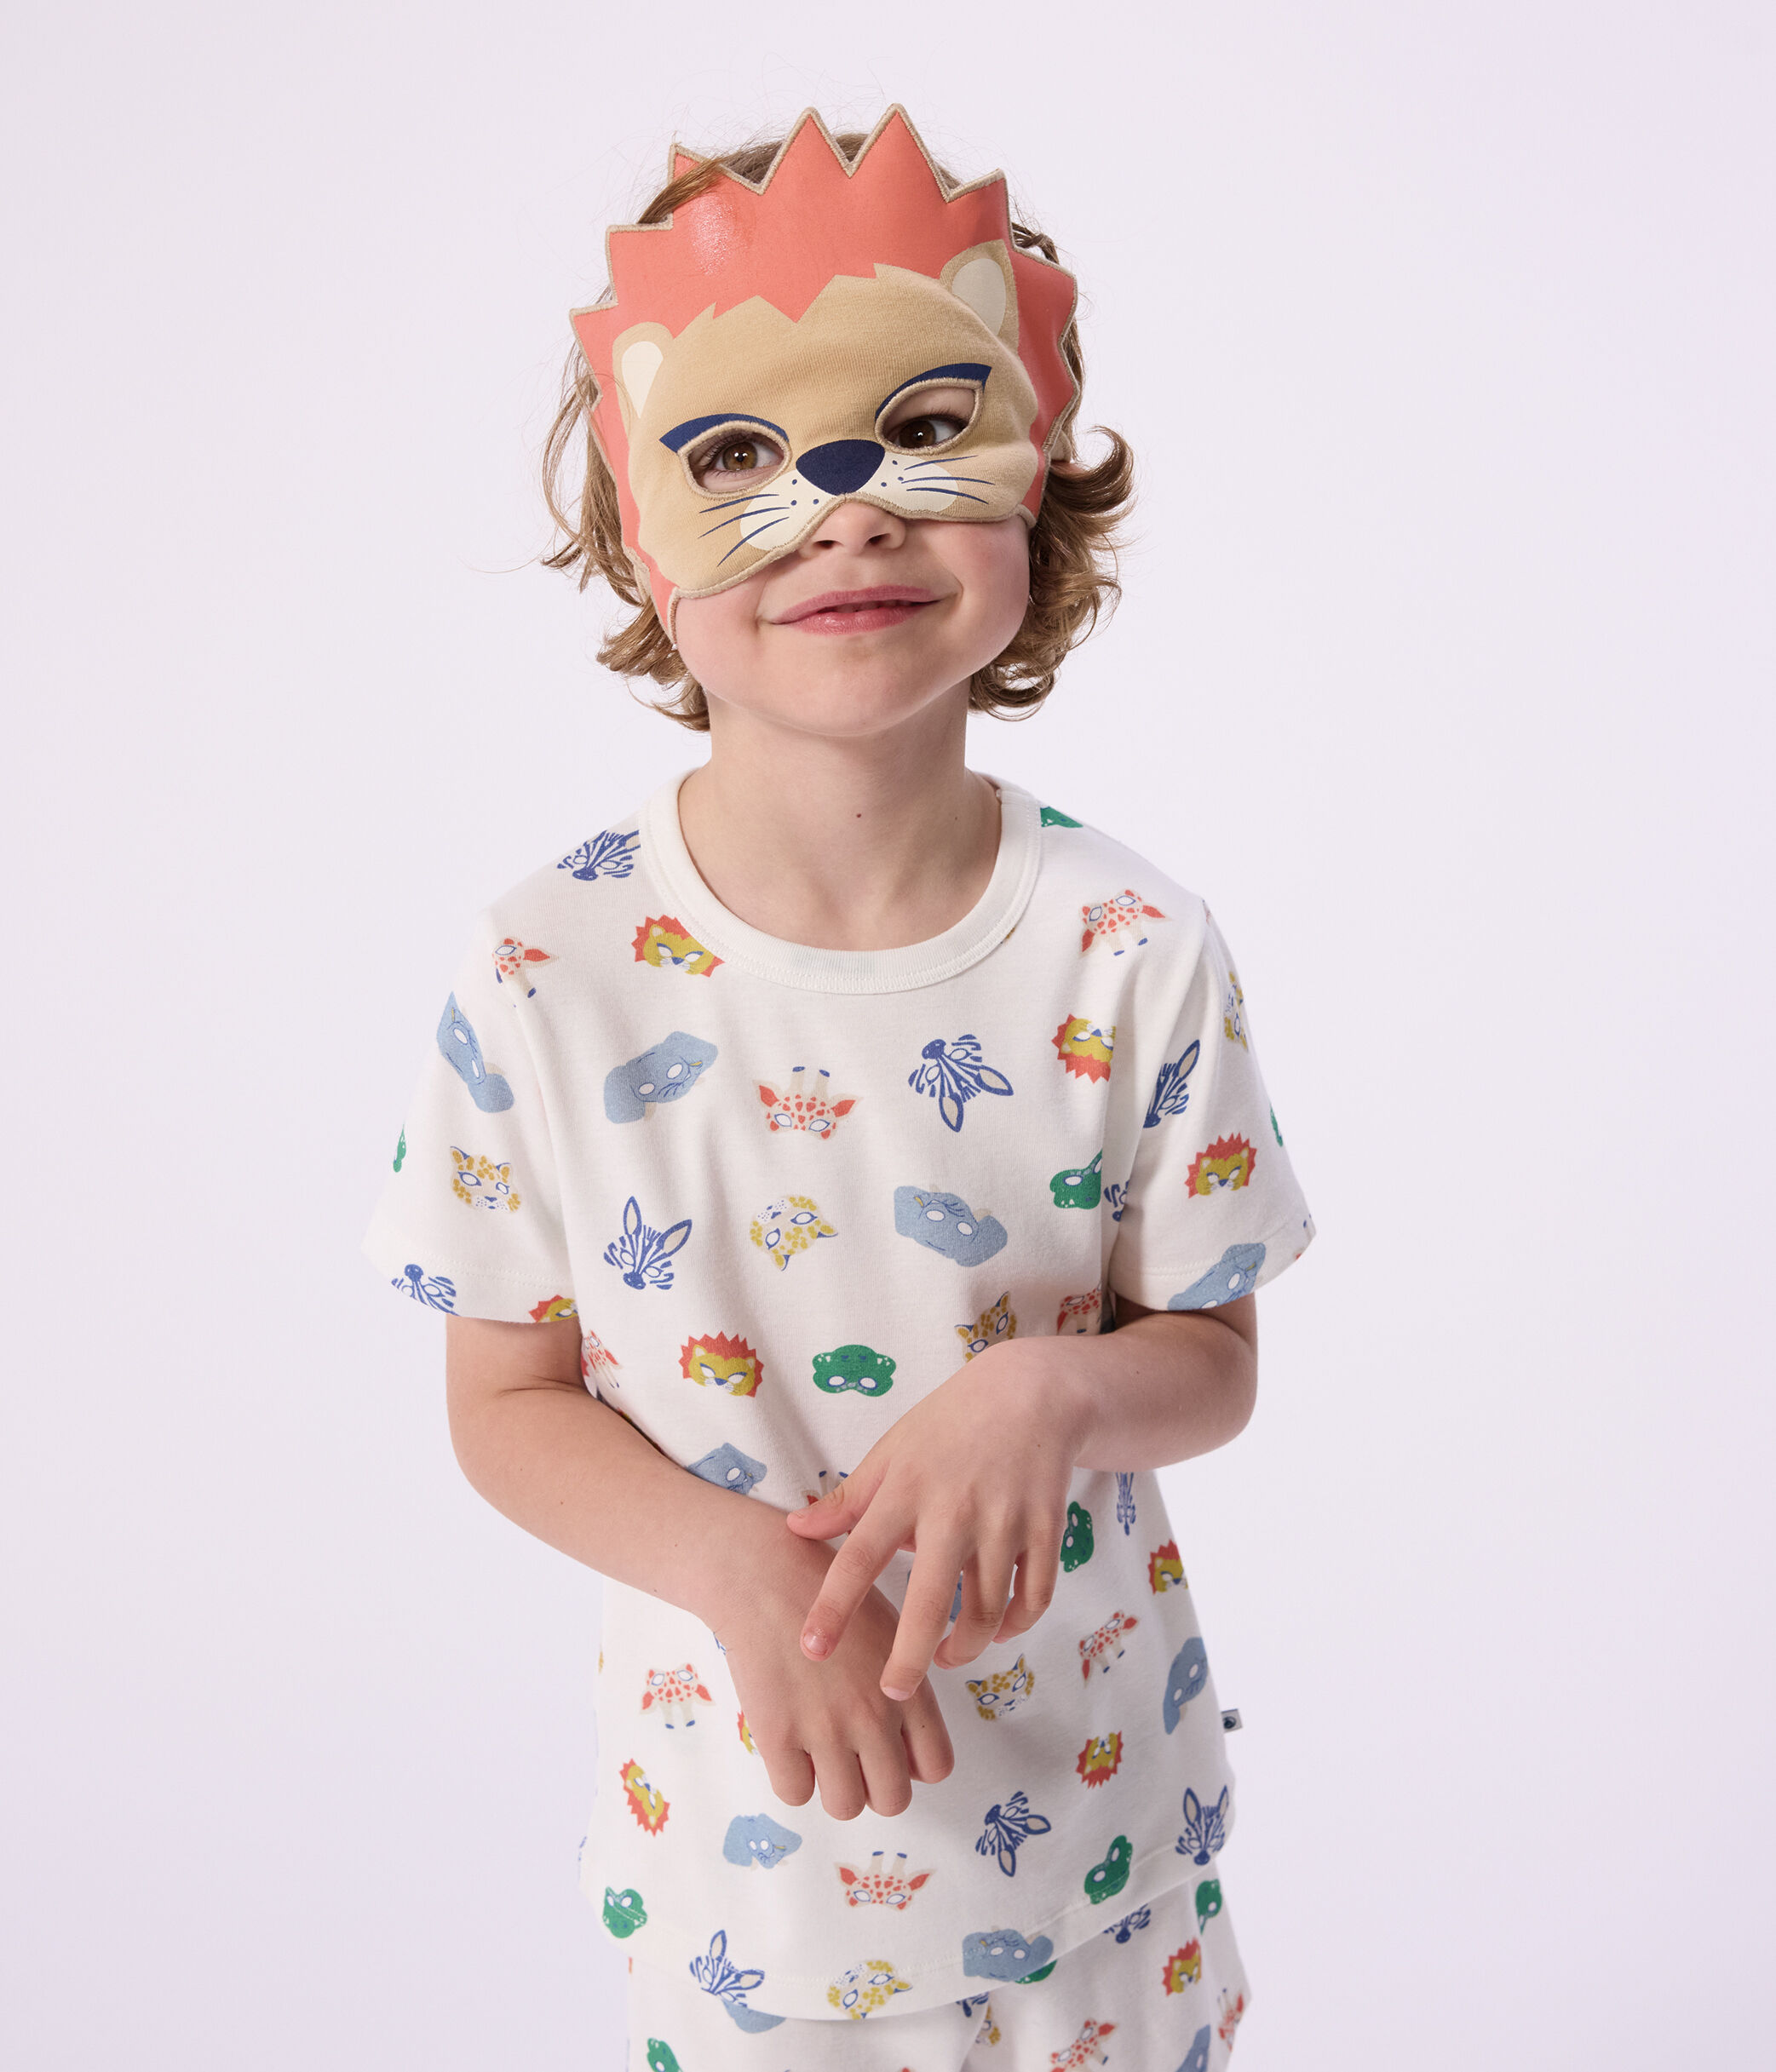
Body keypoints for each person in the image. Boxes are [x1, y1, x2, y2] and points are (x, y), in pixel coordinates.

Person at [362, 106, 1313, 2072]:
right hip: (752, 1881)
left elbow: (1208, 1354)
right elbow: (502, 1398)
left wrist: (1053, 1389)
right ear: (642, 533)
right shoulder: (546, 968)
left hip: (1103, 1839)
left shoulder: (1130, 944)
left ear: (1037, 484)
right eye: (737, 456)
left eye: (922, 432)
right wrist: (724, 1562)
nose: (846, 511)